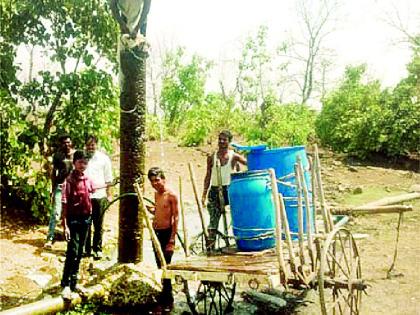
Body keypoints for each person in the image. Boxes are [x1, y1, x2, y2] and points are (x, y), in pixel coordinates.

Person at [201, 130, 247, 250]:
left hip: (229, 190)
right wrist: (204, 194)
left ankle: (241, 243)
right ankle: (210, 248)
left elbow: (249, 163)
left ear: (229, 141)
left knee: (238, 216)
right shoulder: (212, 157)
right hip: (215, 190)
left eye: (224, 139)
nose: (221, 141)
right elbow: (208, 175)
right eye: (220, 139)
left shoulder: (234, 156)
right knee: (213, 220)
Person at [61, 150, 95, 299]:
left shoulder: (87, 179)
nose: (83, 165)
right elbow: (64, 203)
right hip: (73, 220)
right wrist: (65, 225)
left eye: (85, 162)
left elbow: (94, 189)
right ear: (74, 163)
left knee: (81, 252)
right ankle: (66, 284)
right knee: (72, 251)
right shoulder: (69, 181)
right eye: (80, 162)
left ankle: (75, 283)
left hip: (86, 219)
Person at [147, 167, 179, 307]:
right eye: (152, 181)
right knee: (160, 266)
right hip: (156, 233)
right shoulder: (156, 195)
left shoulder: (171, 195)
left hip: (167, 233)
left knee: (166, 266)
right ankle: (165, 295)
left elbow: (175, 218)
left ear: (163, 179)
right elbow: (159, 210)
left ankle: (168, 299)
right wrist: (153, 210)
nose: (155, 183)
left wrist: (172, 239)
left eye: (157, 180)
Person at [84, 135, 113, 260]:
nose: (91, 147)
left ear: (96, 144)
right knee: (86, 224)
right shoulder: (81, 158)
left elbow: (109, 179)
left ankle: (97, 249)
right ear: (85, 145)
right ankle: (86, 250)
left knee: (98, 225)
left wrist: (109, 195)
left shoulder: (104, 159)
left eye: (93, 144)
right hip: (84, 197)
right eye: (88, 145)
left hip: (100, 196)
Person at [45, 134, 75, 249]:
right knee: (56, 213)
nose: (66, 144)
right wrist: (52, 190)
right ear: (60, 144)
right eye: (64, 143)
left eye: (68, 142)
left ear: (71, 142)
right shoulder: (58, 156)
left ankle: (70, 238)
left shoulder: (76, 155)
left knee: (72, 213)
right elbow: (54, 173)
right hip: (60, 186)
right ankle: (50, 238)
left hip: (73, 188)